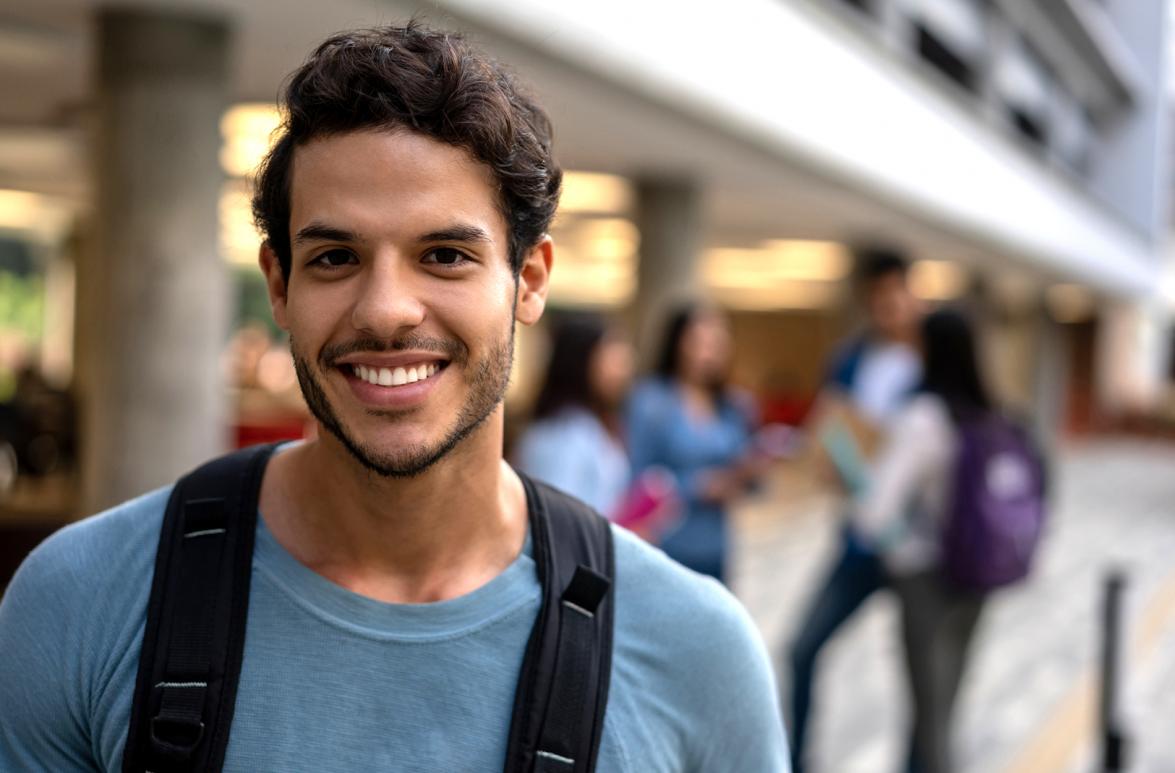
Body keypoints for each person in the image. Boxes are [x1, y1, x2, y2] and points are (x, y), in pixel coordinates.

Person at [0, 24, 790, 772]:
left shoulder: (694, 653)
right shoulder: (83, 602)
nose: (385, 310)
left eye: (444, 255)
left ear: (530, 280)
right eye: (336, 256)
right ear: (278, 286)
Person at [786, 249, 922, 773]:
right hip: (860, 538)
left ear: (913, 295)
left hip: (916, 545)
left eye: (896, 295)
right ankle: (797, 760)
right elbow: (828, 430)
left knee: (921, 676)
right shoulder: (851, 359)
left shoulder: (934, 361)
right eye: (878, 297)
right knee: (802, 649)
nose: (888, 307)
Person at [853, 308, 996, 773]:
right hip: (980, 574)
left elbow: (875, 515)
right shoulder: (989, 413)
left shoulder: (924, 418)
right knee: (945, 708)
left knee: (929, 721)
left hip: (927, 579)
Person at [626, 302, 766, 585]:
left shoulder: (735, 405)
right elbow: (637, 477)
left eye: (718, 342)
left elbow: (753, 481)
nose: (709, 351)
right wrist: (696, 486)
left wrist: (751, 473)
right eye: (699, 342)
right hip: (666, 542)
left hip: (717, 544)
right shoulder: (651, 401)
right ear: (677, 343)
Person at [514, 313, 633, 515]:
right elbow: (558, 519)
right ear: (582, 361)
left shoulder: (592, 423)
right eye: (613, 360)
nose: (623, 371)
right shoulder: (561, 434)